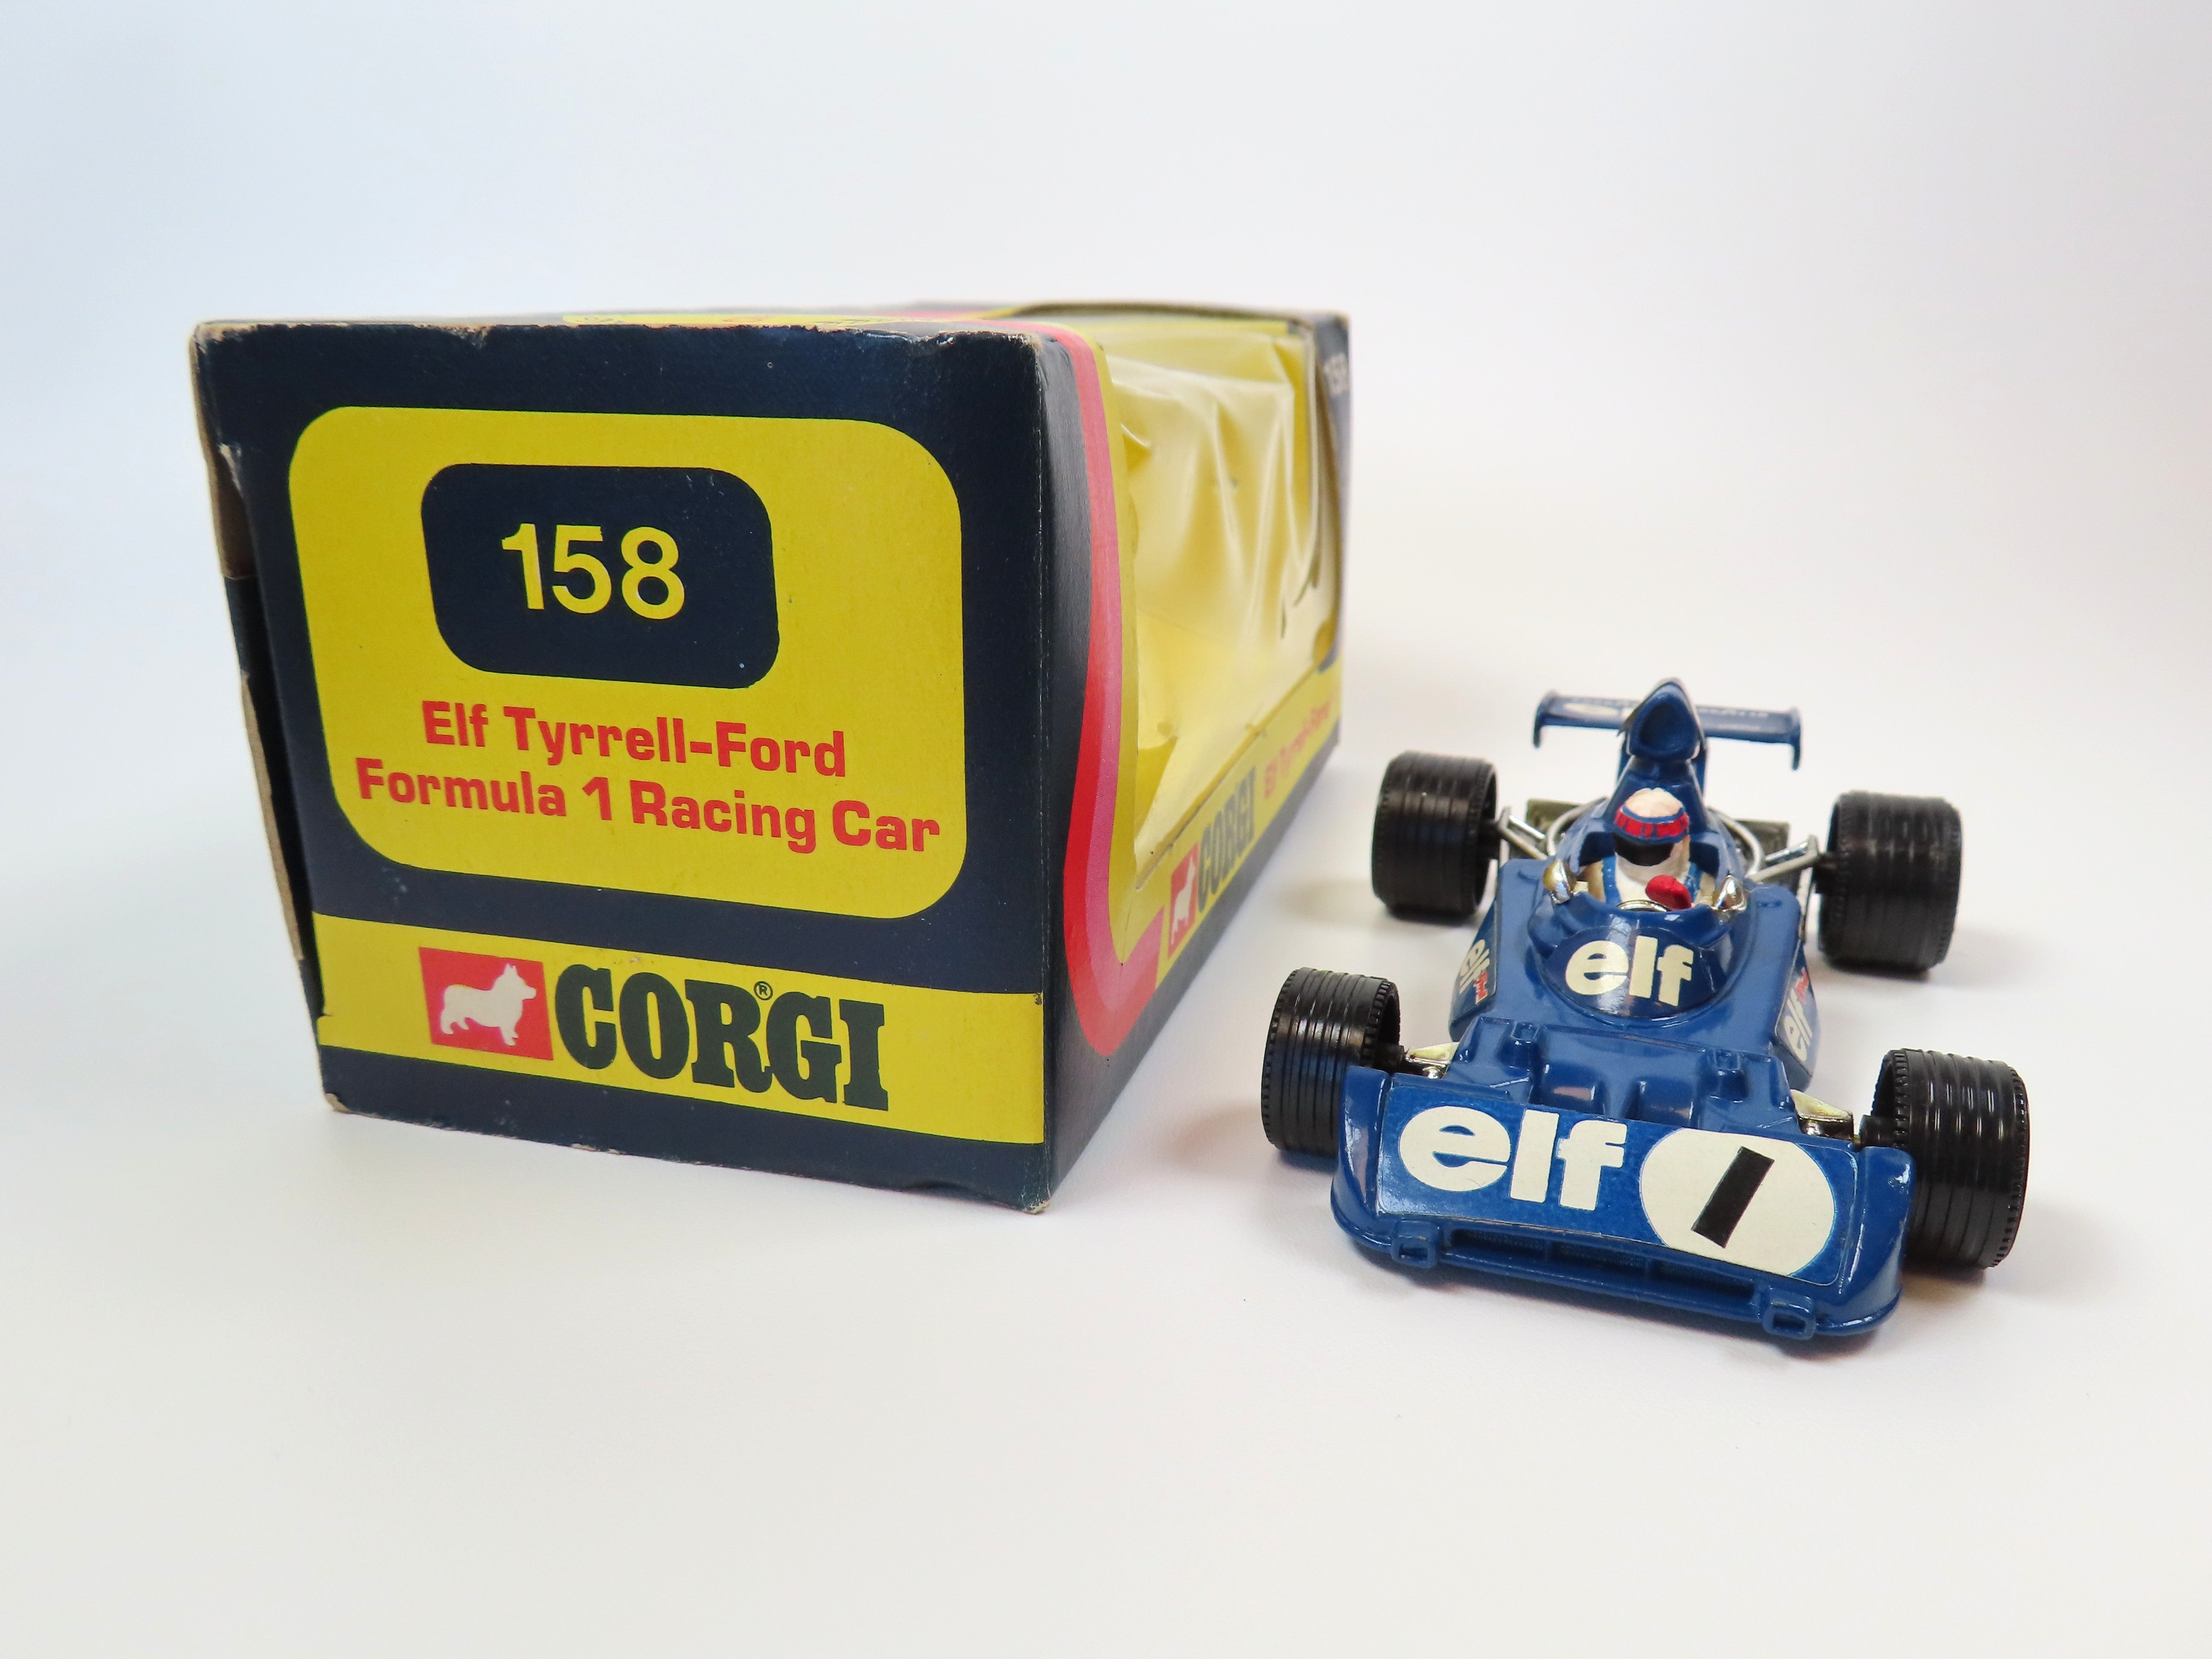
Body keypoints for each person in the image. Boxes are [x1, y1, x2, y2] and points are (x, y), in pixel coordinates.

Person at [1580, 786, 1707, 909]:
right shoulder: (1597, 874)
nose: (1640, 856)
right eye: (1629, 846)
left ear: (1684, 843)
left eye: (1655, 850)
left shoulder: (1701, 883)